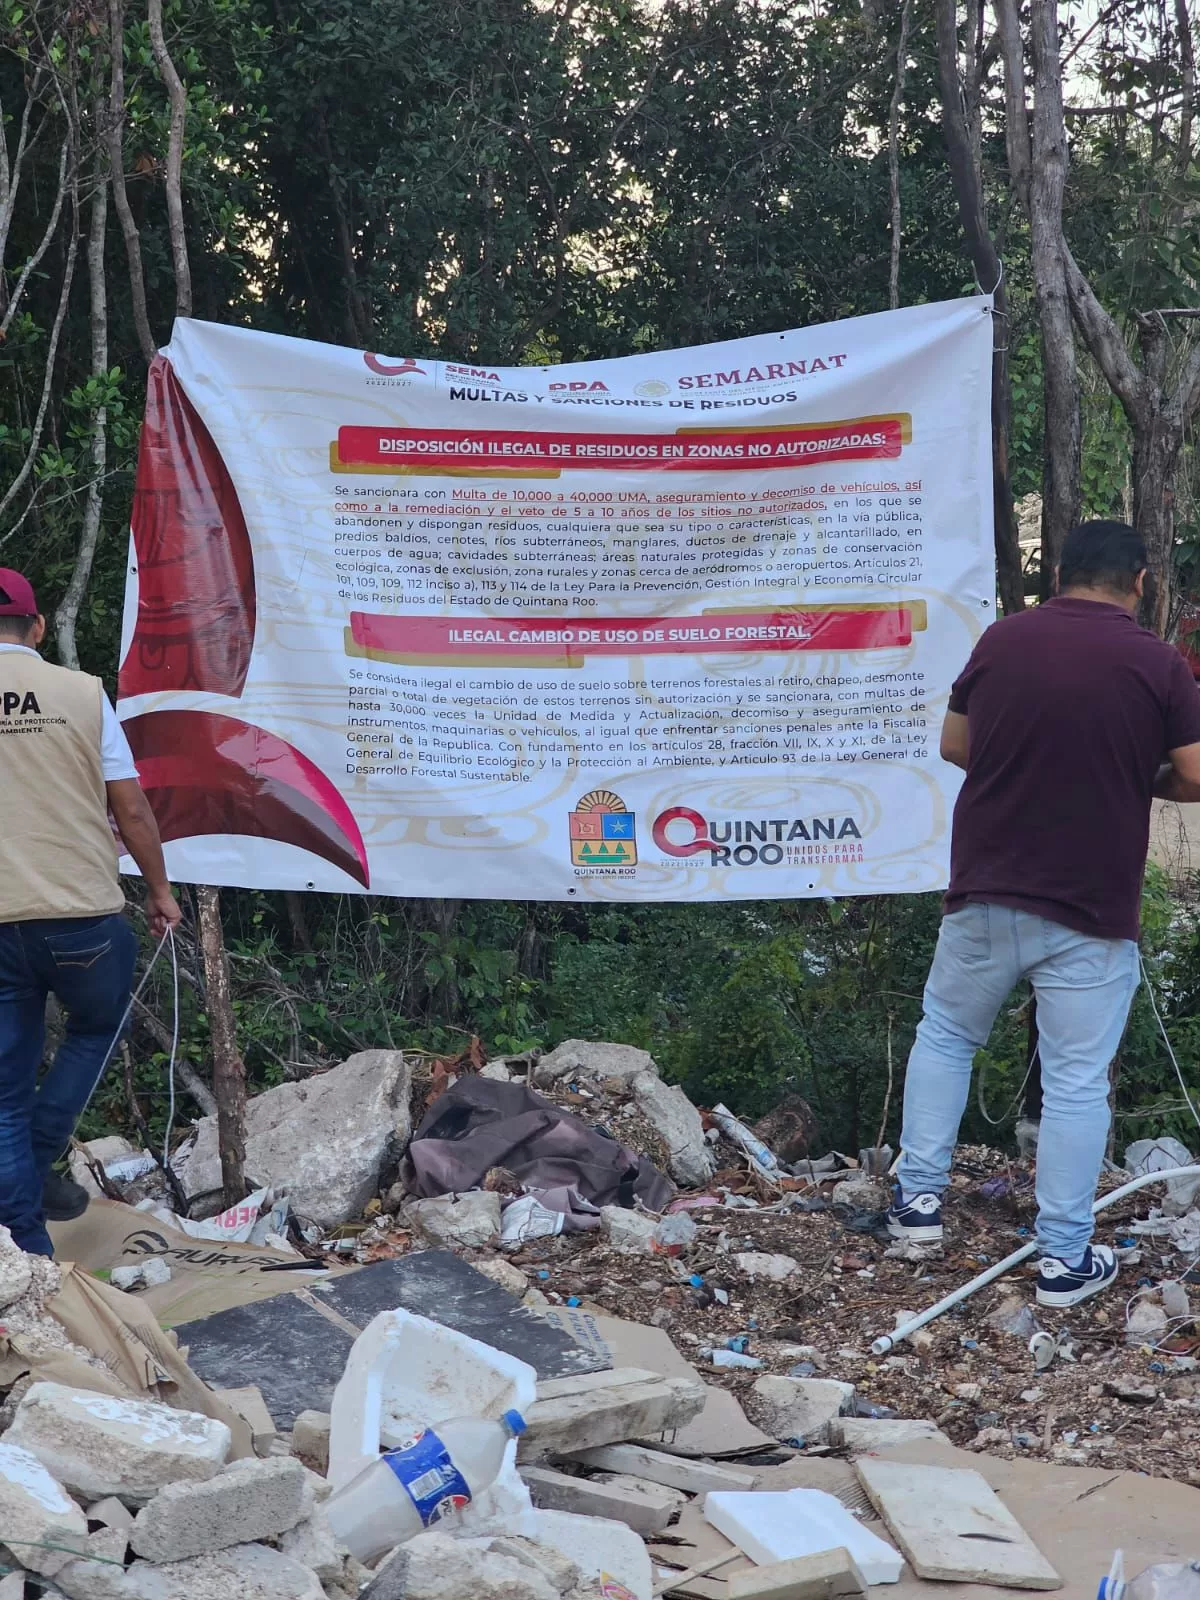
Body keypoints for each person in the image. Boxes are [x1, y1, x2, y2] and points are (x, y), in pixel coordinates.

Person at [887, 521, 1200, 1307]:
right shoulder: (1159, 663)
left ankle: (917, 1208)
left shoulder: (1002, 641)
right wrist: (1141, 775)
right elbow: (1196, 775)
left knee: (948, 1034)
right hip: (1091, 907)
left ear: (1059, 573)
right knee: (1075, 1083)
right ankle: (1064, 1260)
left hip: (988, 889)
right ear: (1140, 584)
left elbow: (955, 744)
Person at [0, 567, 181, 1256]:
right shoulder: (80, 694)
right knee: (97, 1025)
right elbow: (129, 807)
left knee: (2, 1091)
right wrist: (161, 892)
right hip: (80, 916)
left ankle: (25, 1250)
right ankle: (41, 1160)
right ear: (38, 627)